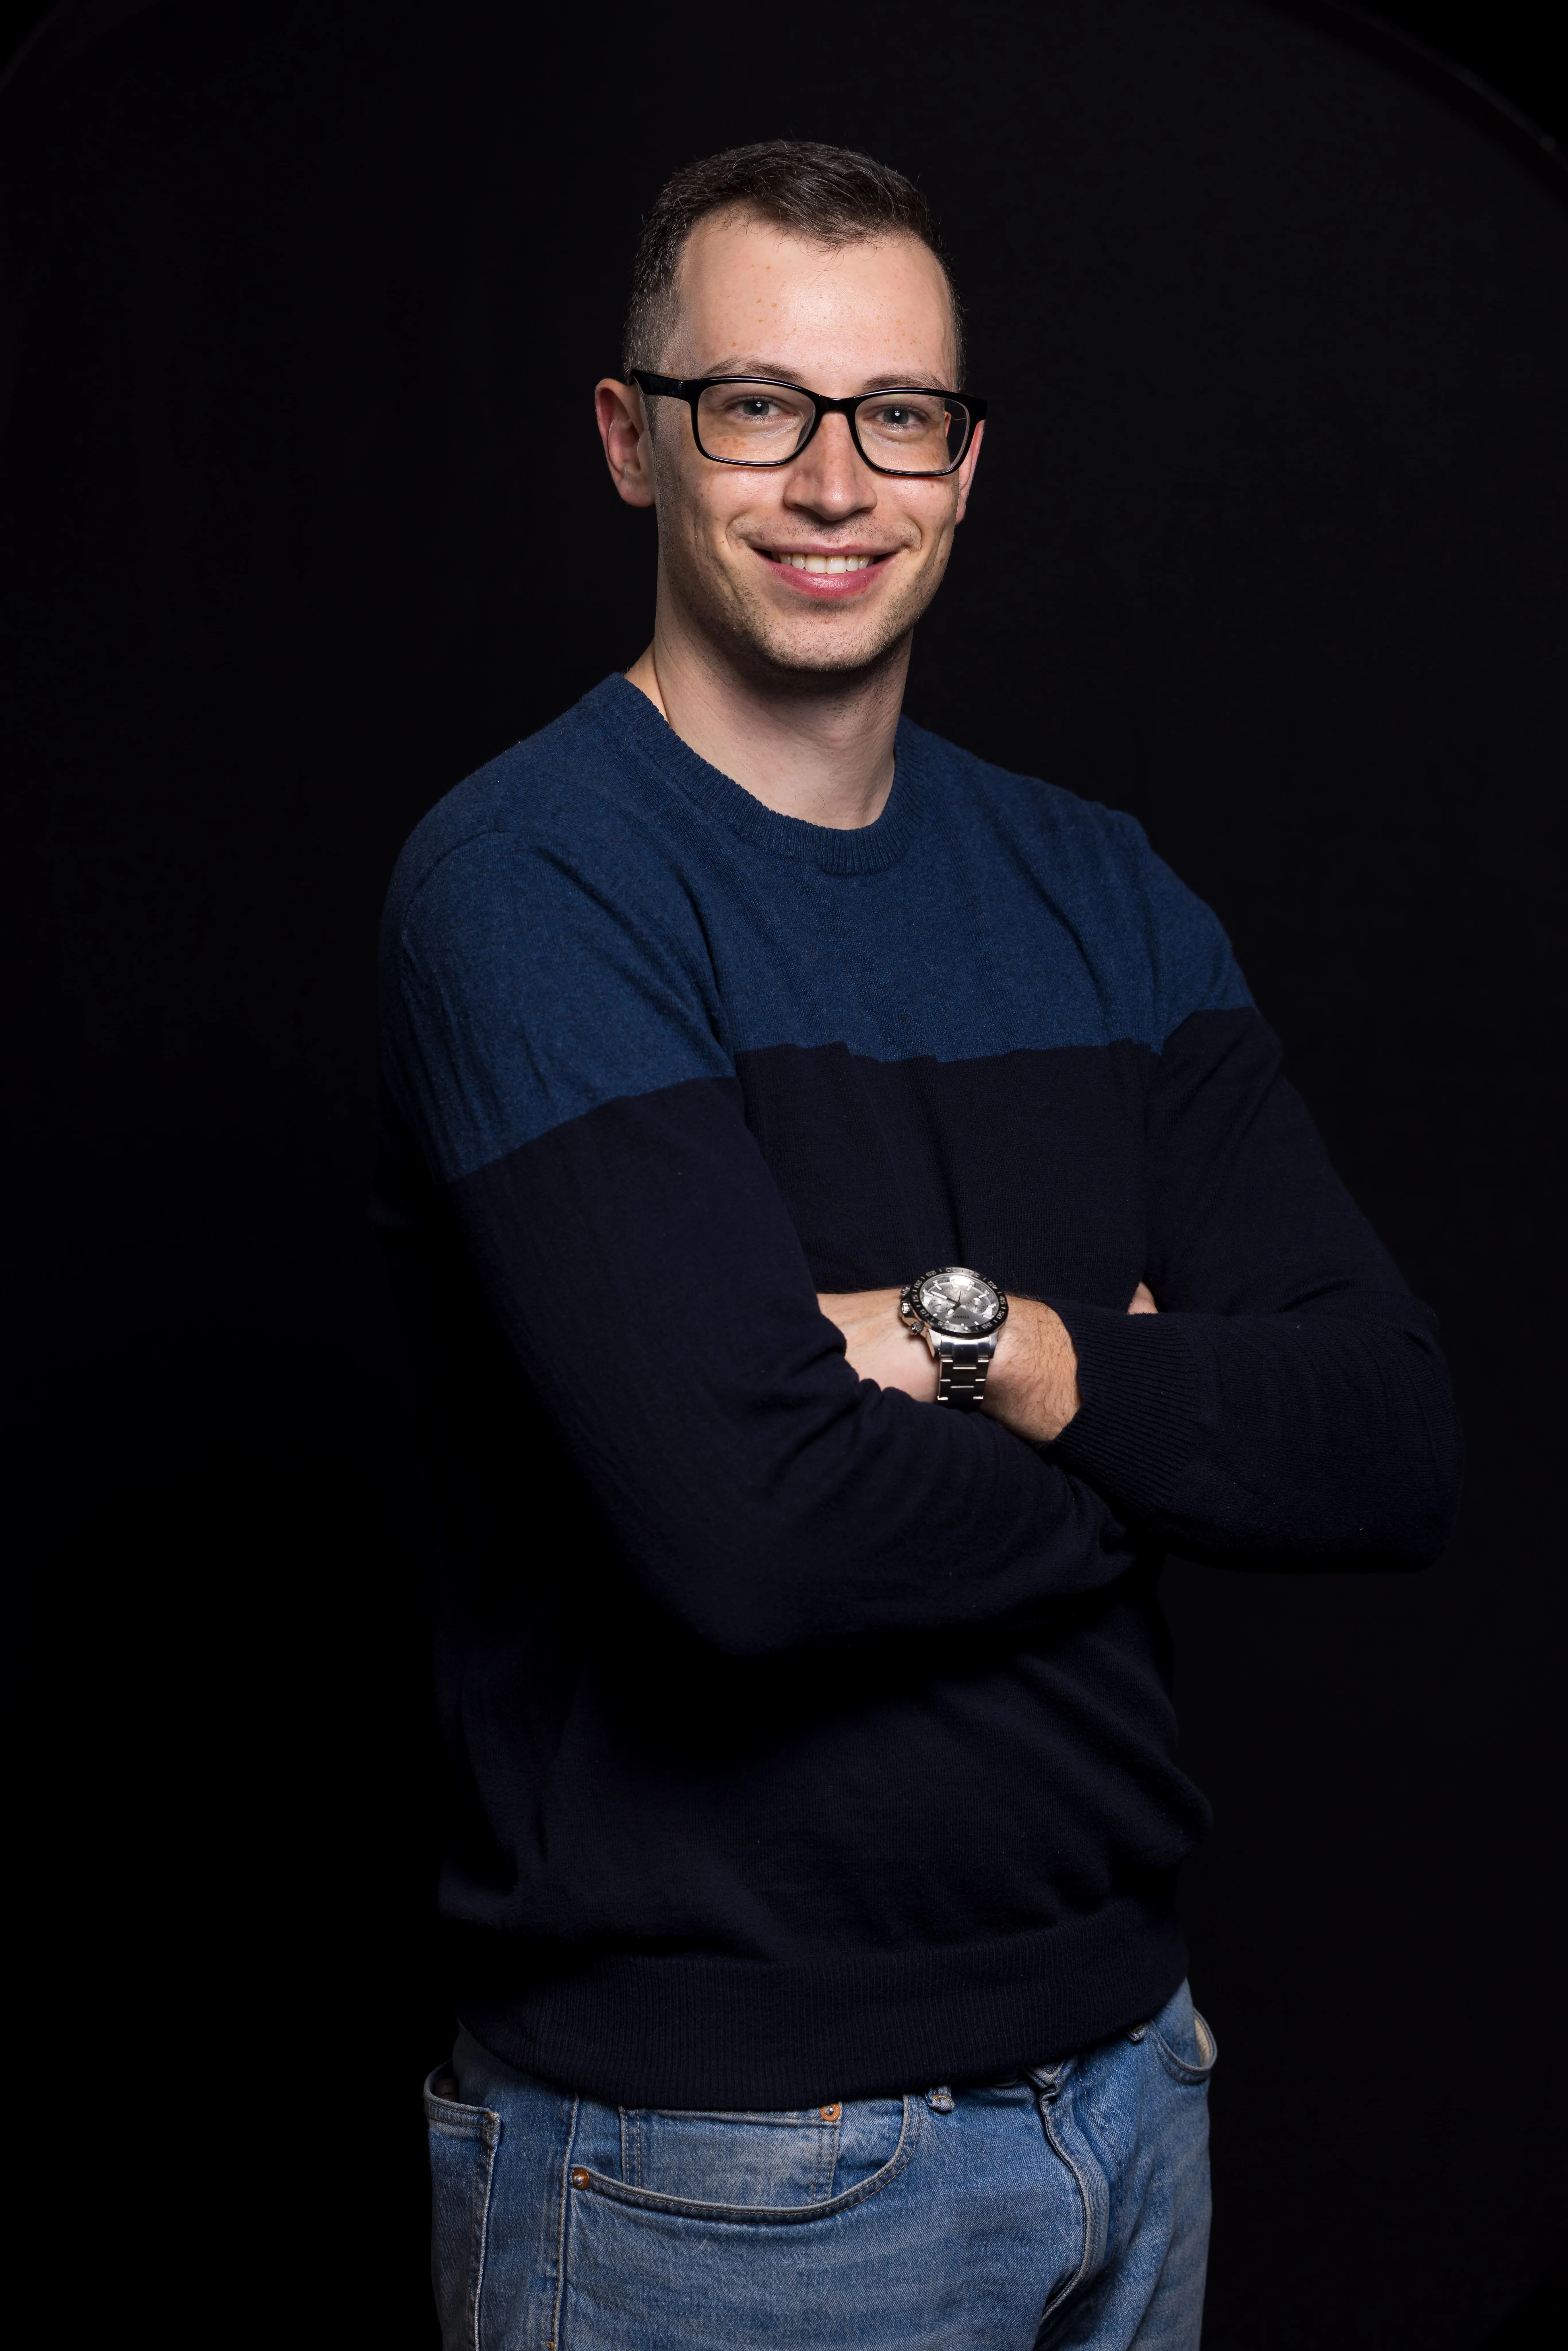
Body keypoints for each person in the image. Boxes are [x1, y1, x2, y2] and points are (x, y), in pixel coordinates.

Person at [377, 139, 1460, 2351]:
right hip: (712, 2170)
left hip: (1130, 2090)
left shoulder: (1100, 889)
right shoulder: (531, 883)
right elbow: (745, 1534)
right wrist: (1159, 1419)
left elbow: (1383, 1433)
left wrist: (1013, 1354)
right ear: (633, 437)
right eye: (754, 406)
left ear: (963, 463)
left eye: (896, 417)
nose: (830, 481)